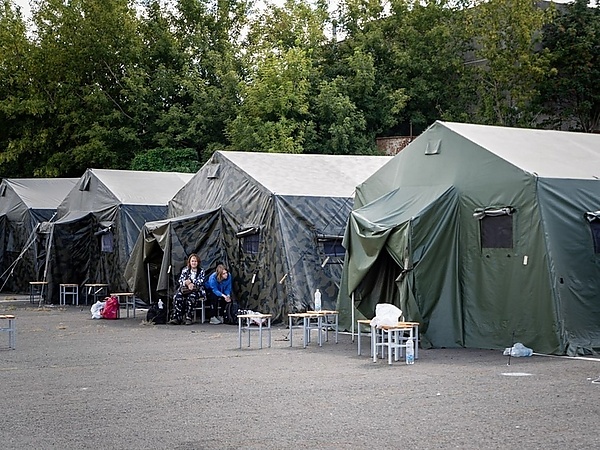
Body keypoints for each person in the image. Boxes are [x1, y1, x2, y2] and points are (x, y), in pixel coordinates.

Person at [169, 253, 205, 325]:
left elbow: (201, 281)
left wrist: (191, 283)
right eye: (192, 261)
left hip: (196, 290)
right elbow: (180, 280)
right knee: (177, 296)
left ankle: (189, 317)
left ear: (198, 262)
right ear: (189, 262)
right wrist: (186, 283)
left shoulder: (201, 271)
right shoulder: (185, 270)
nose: (194, 263)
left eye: (195, 261)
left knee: (191, 297)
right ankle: (177, 317)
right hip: (185, 290)